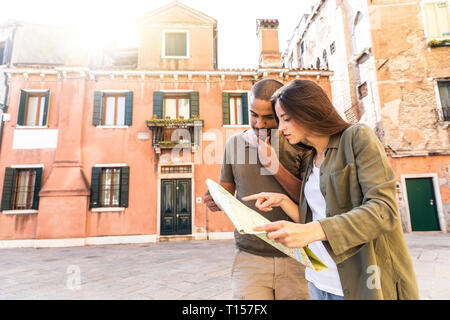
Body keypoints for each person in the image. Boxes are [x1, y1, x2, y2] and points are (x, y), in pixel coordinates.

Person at [242, 79, 419, 300]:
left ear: (310, 111)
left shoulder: (357, 138)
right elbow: (318, 218)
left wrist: (312, 231)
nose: (281, 127)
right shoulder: (310, 159)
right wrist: (284, 202)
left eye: (286, 119)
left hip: (360, 284)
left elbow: (384, 211)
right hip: (317, 282)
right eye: (279, 120)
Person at [203, 79, 311, 300]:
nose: (259, 124)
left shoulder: (301, 144)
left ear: (282, 113)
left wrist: (275, 167)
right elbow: (227, 194)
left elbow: (310, 201)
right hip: (248, 259)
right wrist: (215, 200)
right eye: (254, 114)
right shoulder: (233, 143)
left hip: (297, 258)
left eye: (268, 117)